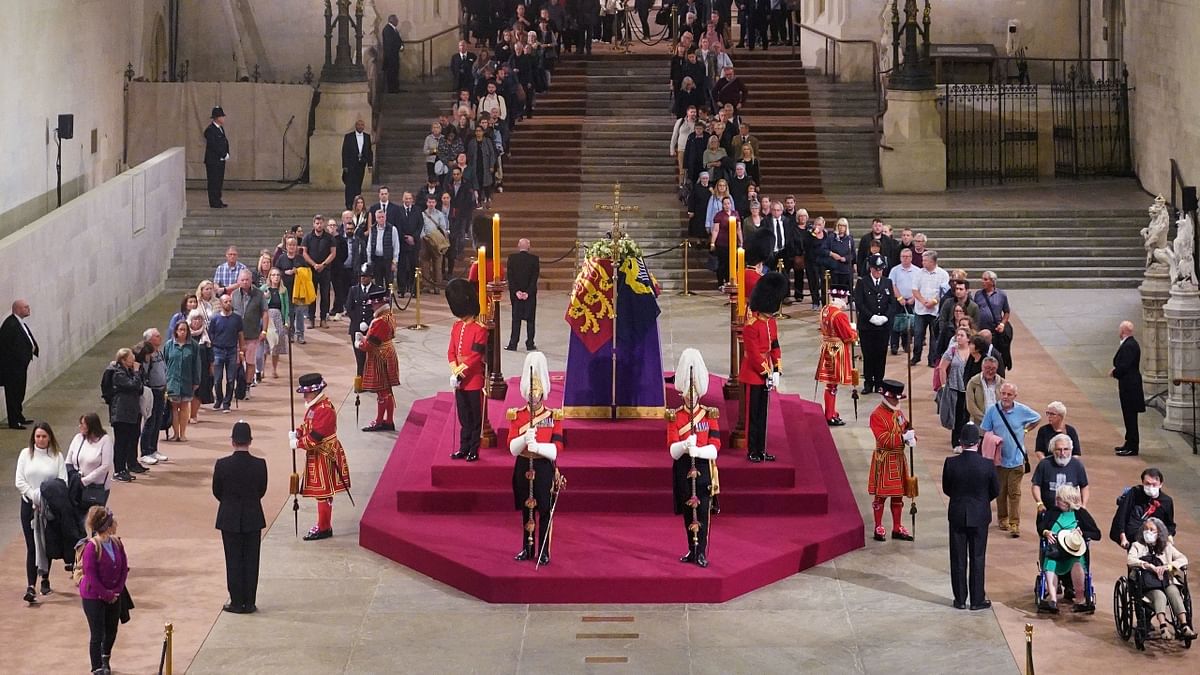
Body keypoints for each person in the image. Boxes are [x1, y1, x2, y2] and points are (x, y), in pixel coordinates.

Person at [506, 352, 563, 566]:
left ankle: (543, 550)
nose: (533, 397)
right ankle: (526, 548)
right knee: (526, 509)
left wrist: (538, 446)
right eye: (530, 393)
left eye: (536, 393)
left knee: (544, 511)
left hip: (543, 466)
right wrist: (523, 439)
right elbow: (511, 447)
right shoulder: (517, 415)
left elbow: (557, 448)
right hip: (523, 464)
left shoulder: (552, 416)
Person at [667, 348, 720, 567]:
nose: (690, 396)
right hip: (682, 468)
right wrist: (683, 445)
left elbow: (716, 447)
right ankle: (691, 548)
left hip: (703, 467)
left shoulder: (709, 414)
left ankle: (701, 551)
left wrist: (698, 450)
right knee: (688, 512)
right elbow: (671, 448)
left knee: (703, 511)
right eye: (687, 393)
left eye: (694, 392)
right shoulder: (675, 416)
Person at [941, 423, 999, 610]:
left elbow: (947, 488)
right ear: (978, 442)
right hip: (980, 515)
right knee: (978, 557)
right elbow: (995, 490)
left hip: (957, 513)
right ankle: (977, 600)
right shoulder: (987, 464)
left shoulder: (951, 463)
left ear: (961, 441)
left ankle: (959, 600)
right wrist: (981, 501)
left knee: (958, 558)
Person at [213, 421, 267, 614]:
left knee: (233, 560)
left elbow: (217, 491)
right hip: (253, 516)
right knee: (252, 561)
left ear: (233, 441)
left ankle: (236, 601)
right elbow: (261, 490)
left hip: (229, 517)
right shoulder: (260, 465)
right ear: (250, 441)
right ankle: (250, 601)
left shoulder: (222, 465)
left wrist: (229, 503)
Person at [290, 374, 352, 540]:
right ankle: (323, 524)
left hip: (325, 454)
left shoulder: (324, 409)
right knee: (322, 493)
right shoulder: (314, 406)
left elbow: (315, 437)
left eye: (306, 392)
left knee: (324, 493)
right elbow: (307, 426)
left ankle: (324, 527)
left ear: (316, 391)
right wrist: (298, 432)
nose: (304, 396)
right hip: (318, 454)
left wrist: (299, 443)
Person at [980, 382, 1041, 538]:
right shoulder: (992, 411)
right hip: (999, 459)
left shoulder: (1022, 410)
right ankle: (1002, 518)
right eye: (1003, 393)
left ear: (1015, 396)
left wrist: (1026, 429)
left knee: (1014, 493)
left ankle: (1015, 524)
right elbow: (986, 430)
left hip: (1016, 459)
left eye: (1009, 394)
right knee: (1000, 491)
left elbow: (1037, 418)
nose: (1005, 397)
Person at [15, 421, 67, 603]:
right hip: (28, 506)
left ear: (49, 437)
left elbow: (62, 482)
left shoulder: (57, 456)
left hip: (49, 508)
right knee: (32, 545)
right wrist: (33, 496)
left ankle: (45, 578)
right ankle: (31, 586)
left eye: (44, 436)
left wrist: (44, 497)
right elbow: (19, 480)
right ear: (33, 438)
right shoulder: (25, 454)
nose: (41, 439)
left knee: (46, 544)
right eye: (38, 436)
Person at [740, 272, 786, 462]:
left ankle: (762, 448)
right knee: (754, 415)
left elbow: (774, 345)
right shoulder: (751, 325)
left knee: (764, 414)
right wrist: (766, 372)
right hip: (753, 374)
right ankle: (752, 449)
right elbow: (752, 354)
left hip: (765, 371)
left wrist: (777, 368)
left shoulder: (771, 322)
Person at [78, 506, 129, 675]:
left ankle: (105, 656)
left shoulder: (117, 543)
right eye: (113, 521)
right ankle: (97, 667)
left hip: (114, 594)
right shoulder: (92, 547)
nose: (116, 524)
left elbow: (123, 568)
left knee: (112, 630)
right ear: (107, 525)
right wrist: (106, 594)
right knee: (97, 634)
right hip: (93, 597)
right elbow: (91, 576)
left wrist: (117, 589)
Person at [1127, 516, 1196, 638]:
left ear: (1159, 532)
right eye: (1146, 529)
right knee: (1159, 595)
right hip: (1147, 584)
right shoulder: (1137, 546)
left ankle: (1184, 625)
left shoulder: (1166, 546)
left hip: (1166, 580)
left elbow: (1183, 559)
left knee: (1174, 592)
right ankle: (1163, 627)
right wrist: (1147, 566)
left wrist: (1169, 567)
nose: (1148, 532)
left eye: (1152, 530)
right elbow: (1130, 560)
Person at [1036, 484, 1100, 613]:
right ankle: (1053, 600)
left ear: (1068, 501)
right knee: (1051, 562)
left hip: (1074, 551)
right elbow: (1041, 526)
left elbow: (1097, 534)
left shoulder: (1080, 514)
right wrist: (1046, 532)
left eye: (1060, 499)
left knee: (1076, 563)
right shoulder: (1052, 512)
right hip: (1055, 550)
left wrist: (1082, 533)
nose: (1057, 500)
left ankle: (1080, 599)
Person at [868, 379, 916, 542]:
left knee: (898, 496)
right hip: (885, 459)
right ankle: (878, 525)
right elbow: (884, 439)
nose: (897, 401)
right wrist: (903, 438)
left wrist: (911, 436)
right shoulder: (877, 415)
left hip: (899, 458)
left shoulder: (898, 413)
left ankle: (897, 526)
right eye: (894, 398)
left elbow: (906, 427)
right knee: (881, 496)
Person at [447, 279, 489, 462]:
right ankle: (463, 447)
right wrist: (454, 370)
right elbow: (451, 351)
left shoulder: (480, 329)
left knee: (475, 417)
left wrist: (460, 372)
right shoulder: (456, 327)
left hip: (473, 381)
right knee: (463, 417)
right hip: (459, 380)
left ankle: (474, 448)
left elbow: (475, 356)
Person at [358, 289, 401, 432]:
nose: (372, 307)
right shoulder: (389, 316)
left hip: (379, 357)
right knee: (387, 391)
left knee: (382, 391)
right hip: (388, 353)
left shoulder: (380, 321)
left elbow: (370, 345)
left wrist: (359, 343)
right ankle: (388, 420)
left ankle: (380, 421)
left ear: (379, 304)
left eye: (373, 305)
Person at [815, 285, 858, 426]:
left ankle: (831, 411)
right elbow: (848, 337)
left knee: (830, 384)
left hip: (827, 347)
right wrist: (854, 332)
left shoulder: (825, 310)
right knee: (832, 385)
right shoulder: (839, 315)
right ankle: (830, 414)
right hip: (837, 350)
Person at [855, 255, 896, 394]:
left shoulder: (887, 282)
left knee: (881, 354)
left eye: (881, 269)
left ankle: (879, 382)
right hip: (867, 326)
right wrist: (871, 316)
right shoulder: (862, 282)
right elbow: (859, 302)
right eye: (876, 269)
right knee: (868, 354)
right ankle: (868, 382)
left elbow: (892, 302)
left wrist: (886, 317)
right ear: (871, 268)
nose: (879, 272)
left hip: (883, 327)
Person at [1111, 467, 1177, 549]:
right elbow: (1122, 514)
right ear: (1142, 482)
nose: (1151, 487)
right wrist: (1123, 536)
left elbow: (1169, 524)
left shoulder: (1166, 501)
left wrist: (1169, 536)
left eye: (1154, 484)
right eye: (1147, 484)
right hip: (1134, 538)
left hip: (1155, 540)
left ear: (1160, 484)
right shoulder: (1134, 493)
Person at [65, 413, 114, 523]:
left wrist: (86, 480)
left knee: (96, 521)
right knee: (77, 519)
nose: (80, 426)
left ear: (91, 426)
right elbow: (68, 460)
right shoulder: (78, 438)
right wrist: (74, 477)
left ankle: (95, 539)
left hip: (96, 487)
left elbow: (106, 466)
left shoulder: (105, 440)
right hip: (78, 485)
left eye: (83, 424)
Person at [106, 348, 144, 482]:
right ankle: (118, 470)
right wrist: (137, 372)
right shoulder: (118, 373)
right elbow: (133, 385)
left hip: (130, 411)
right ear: (123, 359)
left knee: (128, 440)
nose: (133, 359)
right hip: (121, 413)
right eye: (130, 357)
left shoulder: (127, 371)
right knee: (121, 442)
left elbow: (139, 388)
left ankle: (124, 468)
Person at [1031, 433, 1090, 519]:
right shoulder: (1045, 464)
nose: (1062, 453)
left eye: (1066, 449)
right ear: (1053, 450)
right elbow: (1036, 485)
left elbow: (1084, 486)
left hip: (1070, 513)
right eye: (1059, 449)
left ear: (1071, 450)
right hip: (1048, 511)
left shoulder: (1077, 465)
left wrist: (1083, 505)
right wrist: (1039, 503)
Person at [0, 299, 38, 429]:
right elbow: (7, 347)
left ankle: (19, 417)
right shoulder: (10, 325)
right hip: (12, 369)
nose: (29, 309)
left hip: (19, 367)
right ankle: (14, 421)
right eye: (26, 307)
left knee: (19, 392)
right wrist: (20, 359)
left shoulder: (18, 322)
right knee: (13, 394)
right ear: (18, 309)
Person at [163, 320, 201, 443]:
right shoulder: (169, 345)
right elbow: (164, 363)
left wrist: (196, 380)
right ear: (176, 331)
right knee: (174, 408)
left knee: (184, 407)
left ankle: (183, 433)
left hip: (187, 380)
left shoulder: (193, 345)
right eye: (180, 330)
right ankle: (175, 434)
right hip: (172, 381)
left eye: (185, 330)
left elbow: (197, 364)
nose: (183, 332)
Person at [910, 250, 949, 367]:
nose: (923, 262)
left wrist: (934, 301)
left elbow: (944, 292)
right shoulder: (918, 273)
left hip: (935, 311)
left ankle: (932, 359)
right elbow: (915, 289)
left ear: (932, 261)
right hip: (920, 310)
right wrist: (922, 301)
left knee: (934, 337)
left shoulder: (943, 274)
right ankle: (916, 356)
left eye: (925, 260)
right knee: (917, 335)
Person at [231, 270, 268, 391]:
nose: (245, 282)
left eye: (247, 279)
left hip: (252, 334)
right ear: (238, 281)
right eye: (242, 280)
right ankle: (238, 385)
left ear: (251, 280)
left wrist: (264, 331)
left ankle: (247, 386)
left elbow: (265, 313)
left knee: (250, 362)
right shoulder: (234, 294)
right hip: (236, 335)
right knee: (236, 362)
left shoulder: (259, 294)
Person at [1113, 320, 1145, 456]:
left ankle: (1132, 446)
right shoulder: (1130, 344)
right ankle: (1128, 442)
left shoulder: (1129, 346)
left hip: (1130, 388)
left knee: (1131, 417)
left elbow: (1125, 366)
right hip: (1128, 386)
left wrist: (1114, 372)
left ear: (1123, 331)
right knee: (1128, 417)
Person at [938, 327, 972, 451]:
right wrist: (943, 385)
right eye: (958, 335)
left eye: (962, 335)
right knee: (957, 416)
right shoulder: (952, 350)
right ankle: (956, 441)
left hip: (968, 388)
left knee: (967, 416)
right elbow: (942, 368)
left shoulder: (972, 351)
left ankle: (967, 440)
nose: (959, 337)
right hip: (954, 387)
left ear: (968, 338)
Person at [208, 294, 245, 412]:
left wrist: (241, 351)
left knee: (230, 378)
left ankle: (226, 403)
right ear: (221, 303)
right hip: (218, 350)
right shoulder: (215, 319)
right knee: (217, 378)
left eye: (230, 301)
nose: (228, 303)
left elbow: (240, 335)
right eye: (226, 302)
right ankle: (218, 399)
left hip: (232, 351)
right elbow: (211, 336)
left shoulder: (237, 318)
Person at [506, 238, 540, 351]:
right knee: (531, 320)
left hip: (517, 295)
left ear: (518, 246)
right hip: (529, 295)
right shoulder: (534, 259)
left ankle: (513, 344)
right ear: (529, 247)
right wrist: (528, 293)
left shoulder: (512, 258)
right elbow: (534, 278)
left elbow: (510, 277)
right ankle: (530, 344)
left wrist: (517, 291)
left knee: (516, 320)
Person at [974, 271, 1013, 370]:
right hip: (982, 330)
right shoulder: (978, 294)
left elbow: (1006, 312)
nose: (982, 281)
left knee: (996, 352)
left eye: (985, 279)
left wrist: (1002, 324)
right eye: (982, 279)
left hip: (995, 330)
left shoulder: (1001, 295)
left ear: (992, 281)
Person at [261, 268, 291, 379]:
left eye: (278, 275)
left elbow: (287, 306)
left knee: (276, 345)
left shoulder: (283, 290)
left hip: (278, 317)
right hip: (266, 317)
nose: (276, 277)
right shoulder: (264, 289)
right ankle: (262, 369)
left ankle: (274, 369)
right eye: (273, 275)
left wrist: (286, 321)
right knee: (264, 346)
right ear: (270, 277)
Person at [341, 119, 373, 209]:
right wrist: (345, 166)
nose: (360, 126)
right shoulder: (349, 136)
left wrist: (370, 164)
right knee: (349, 185)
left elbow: (369, 151)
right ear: (356, 126)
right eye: (359, 125)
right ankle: (349, 203)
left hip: (361, 165)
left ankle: (357, 204)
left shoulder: (367, 137)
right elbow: (344, 151)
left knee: (358, 185)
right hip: (351, 165)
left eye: (362, 125)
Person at [965, 356, 1005, 425]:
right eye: (987, 368)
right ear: (982, 367)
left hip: (998, 423)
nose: (990, 371)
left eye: (993, 368)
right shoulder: (973, 382)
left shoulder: (1002, 383)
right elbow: (971, 406)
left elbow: (1007, 402)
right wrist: (986, 419)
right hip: (978, 425)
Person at [203, 106, 229, 208]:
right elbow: (214, 145)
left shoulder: (220, 128)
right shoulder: (210, 130)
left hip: (220, 160)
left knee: (219, 181)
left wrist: (226, 153)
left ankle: (218, 199)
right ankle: (213, 201)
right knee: (213, 181)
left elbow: (224, 142)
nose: (223, 118)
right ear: (217, 118)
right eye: (222, 116)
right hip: (213, 161)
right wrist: (223, 154)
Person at [381, 14, 405, 93]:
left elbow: (398, 40)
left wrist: (401, 45)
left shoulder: (393, 29)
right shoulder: (387, 29)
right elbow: (390, 43)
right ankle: (392, 89)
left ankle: (395, 88)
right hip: (390, 57)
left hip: (394, 56)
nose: (397, 21)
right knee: (391, 73)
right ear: (392, 20)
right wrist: (399, 46)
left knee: (395, 72)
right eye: (396, 20)